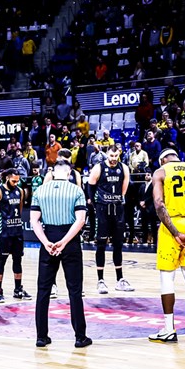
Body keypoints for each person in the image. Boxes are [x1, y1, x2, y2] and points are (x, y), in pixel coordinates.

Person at [147, 149, 185, 343]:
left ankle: (169, 329)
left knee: (167, 278)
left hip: (171, 226)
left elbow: (158, 204)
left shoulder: (161, 172)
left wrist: (175, 232)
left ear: (163, 159)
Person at [31, 159, 90, 349]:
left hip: (48, 240)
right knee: (74, 291)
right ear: (70, 173)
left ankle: (41, 336)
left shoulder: (40, 190)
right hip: (70, 242)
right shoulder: (76, 190)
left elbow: (34, 221)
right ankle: (80, 337)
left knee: (43, 290)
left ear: (53, 172)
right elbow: (80, 221)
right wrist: (64, 242)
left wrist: (46, 242)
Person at [88, 144, 134, 294]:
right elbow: (90, 186)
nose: (113, 159)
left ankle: (120, 279)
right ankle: (100, 280)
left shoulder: (124, 168)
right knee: (101, 244)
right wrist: (96, 204)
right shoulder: (98, 167)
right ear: (107, 155)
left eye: (116, 156)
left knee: (118, 244)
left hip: (118, 209)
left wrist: (118, 200)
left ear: (119, 154)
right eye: (111, 156)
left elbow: (124, 190)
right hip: (102, 209)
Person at [0, 168, 31, 303]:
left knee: (18, 261)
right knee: (2, 260)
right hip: (5, 233)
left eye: (17, 181)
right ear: (7, 178)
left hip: (17, 231)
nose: (15, 183)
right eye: (13, 180)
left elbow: (20, 209)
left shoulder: (20, 191)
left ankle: (18, 289)